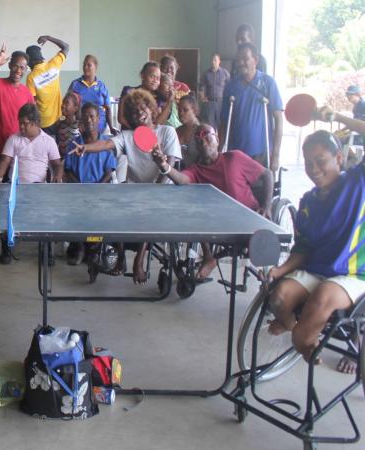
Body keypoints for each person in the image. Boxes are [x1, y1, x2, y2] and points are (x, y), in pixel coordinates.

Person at [264, 108, 365, 373]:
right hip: (316, 271)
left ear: (339, 158)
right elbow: (304, 248)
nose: (314, 169)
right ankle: (300, 334)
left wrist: (338, 118)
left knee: (319, 301)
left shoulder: (357, 183)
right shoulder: (308, 201)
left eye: (321, 161)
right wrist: (281, 270)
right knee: (279, 297)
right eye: (308, 163)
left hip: (352, 275)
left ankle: (304, 340)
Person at [72, 89, 181, 282]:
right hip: (132, 192)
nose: (139, 112)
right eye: (133, 111)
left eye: (143, 107)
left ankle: (139, 260)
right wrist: (85, 148)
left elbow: (169, 167)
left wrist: (156, 190)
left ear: (151, 108)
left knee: (150, 213)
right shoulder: (128, 136)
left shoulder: (167, 132)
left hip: (161, 193)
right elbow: (105, 145)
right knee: (113, 210)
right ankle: (121, 258)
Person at [152, 123, 274, 280]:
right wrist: (163, 165)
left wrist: (267, 206)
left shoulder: (234, 157)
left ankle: (268, 277)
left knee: (262, 253)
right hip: (220, 223)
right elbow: (182, 179)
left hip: (249, 218)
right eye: (198, 138)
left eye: (206, 135)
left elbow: (268, 174)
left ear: (217, 139)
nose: (202, 140)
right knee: (196, 212)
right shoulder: (196, 170)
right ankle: (210, 258)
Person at [0, 104, 63, 264]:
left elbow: (57, 164)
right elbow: (4, 161)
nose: (21, 126)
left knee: (47, 215)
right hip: (15, 187)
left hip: (39, 189)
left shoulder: (48, 141)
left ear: (35, 123)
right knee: (6, 211)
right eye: (20, 123)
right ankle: (6, 249)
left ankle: (47, 251)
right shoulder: (14, 139)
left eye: (25, 123)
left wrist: (58, 176)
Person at [63, 103, 118, 267]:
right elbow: (68, 171)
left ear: (98, 119)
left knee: (101, 217)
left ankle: (95, 248)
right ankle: (79, 246)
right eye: (85, 116)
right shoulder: (73, 145)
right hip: (78, 193)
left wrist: (96, 189)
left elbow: (109, 172)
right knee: (75, 214)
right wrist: (81, 188)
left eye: (92, 116)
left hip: (100, 192)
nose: (88, 120)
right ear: (80, 120)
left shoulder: (106, 144)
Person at [220, 43, 284, 172]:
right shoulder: (231, 86)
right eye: (238, 59)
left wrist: (275, 155)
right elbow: (223, 123)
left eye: (245, 58)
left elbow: (279, 119)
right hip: (236, 152)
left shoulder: (267, 83)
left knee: (260, 190)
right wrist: (220, 150)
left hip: (262, 152)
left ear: (255, 59)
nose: (241, 62)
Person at [0, 45, 34, 163]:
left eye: (22, 67)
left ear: (26, 70)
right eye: (15, 66)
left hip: (17, 150)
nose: (18, 70)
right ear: (10, 65)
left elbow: (32, 122)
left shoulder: (27, 93)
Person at [25, 35, 69, 134]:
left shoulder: (31, 77)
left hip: (43, 123)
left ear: (30, 62)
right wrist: (48, 38)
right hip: (59, 118)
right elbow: (66, 47)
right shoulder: (54, 64)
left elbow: (32, 103)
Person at [67, 55, 114, 135]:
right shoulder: (75, 84)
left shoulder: (101, 86)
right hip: (80, 128)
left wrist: (111, 127)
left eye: (89, 65)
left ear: (95, 67)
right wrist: (74, 123)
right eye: (84, 65)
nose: (85, 67)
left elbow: (108, 109)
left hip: (100, 129)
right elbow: (68, 106)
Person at [118, 62, 164, 129]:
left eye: (158, 78)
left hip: (149, 134)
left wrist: (170, 101)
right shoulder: (129, 91)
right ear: (142, 75)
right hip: (128, 134)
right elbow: (121, 118)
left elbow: (157, 123)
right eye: (152, 76)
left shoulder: (158, 97)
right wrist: (136, 132)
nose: (155, 81)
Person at [199, 53, 230, 130]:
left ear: (219, 61)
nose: (213, 62)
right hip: (210, 103)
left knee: (221, 125)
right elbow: (201, 86)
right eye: (212, 60)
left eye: (215, 60)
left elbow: (230, 86)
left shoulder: (225, 73)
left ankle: (221, 142)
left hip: (221, 103)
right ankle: (212, 141)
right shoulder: (206, 74)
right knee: (210, 126)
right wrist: (202, 97)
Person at [176, 95, 201, 169]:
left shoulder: (201, 132)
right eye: (179, 110)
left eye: (185, 110)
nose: (181, 113)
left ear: (194, 110)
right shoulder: (176, 131)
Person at [54, 92, 82, 157]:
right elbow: (58, 144)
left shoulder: (80, 126)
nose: (63, 105)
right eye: (63, 103)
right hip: (63, 160)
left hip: (76, 160)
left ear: (75, 108)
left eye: (67, 103)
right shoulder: (59, 125)